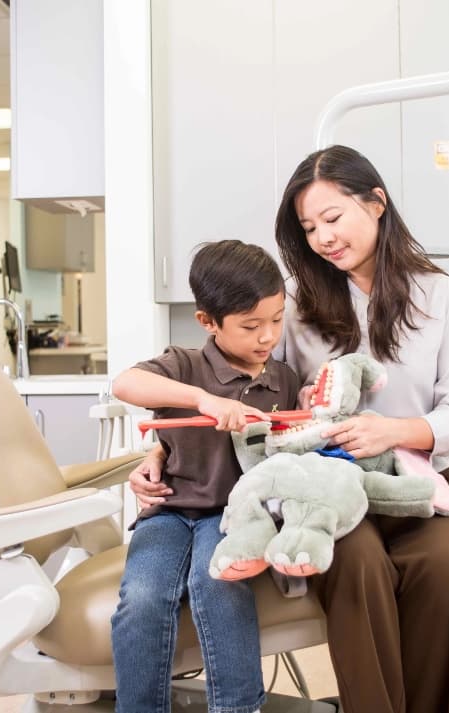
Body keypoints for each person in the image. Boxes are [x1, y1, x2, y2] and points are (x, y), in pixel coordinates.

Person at [130, 145, 449, 713]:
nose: (322, 237)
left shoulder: (442, 296)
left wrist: (391, 432)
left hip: (419, 483)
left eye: (332, 218)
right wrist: (160, 446)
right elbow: (250, 391)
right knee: (358, 567)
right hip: (323, 491)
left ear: (376, 204)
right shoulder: (295, 308)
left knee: (447, 572)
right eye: (308, 227)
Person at [110, 240, 299, 713]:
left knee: (217, 582)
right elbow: (125, 384)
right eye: (251, 326)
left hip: (234, 516)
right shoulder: (185, 366)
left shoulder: (285, 381)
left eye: (277, 320)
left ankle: (237, 707)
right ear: (208, 322)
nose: (267, 336)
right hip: (169, 512)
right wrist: (203, 400)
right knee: (143, 598)